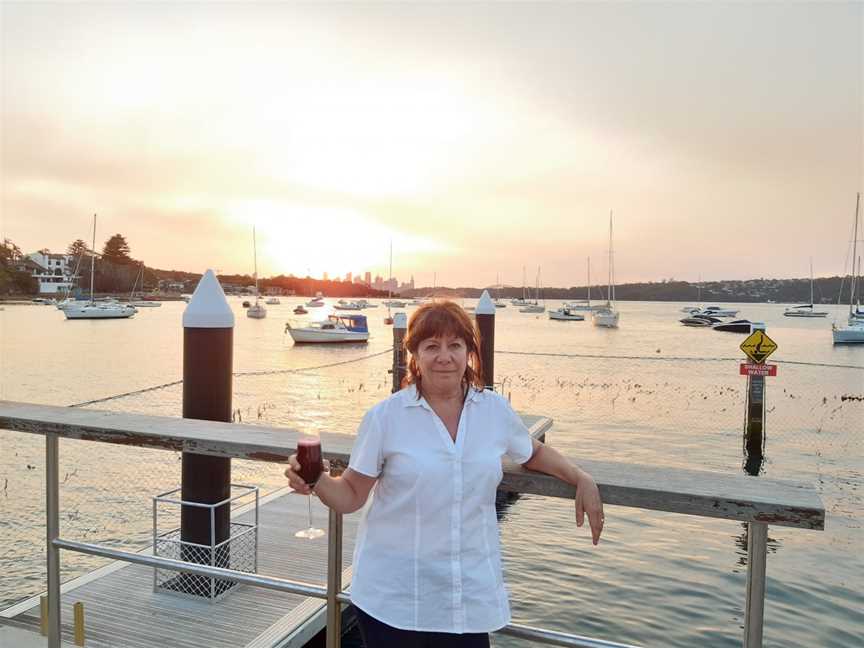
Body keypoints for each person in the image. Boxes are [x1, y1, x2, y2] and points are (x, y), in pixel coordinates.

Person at [285, 300, 604, 647]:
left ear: (468, 351)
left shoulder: (493, 411)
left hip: (464, 597)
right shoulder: (386, 418)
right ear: (414, 355)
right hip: (394, 598)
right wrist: (315, 480)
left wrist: (580, 477)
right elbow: (350, 496)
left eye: (455, 345)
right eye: (432, 346)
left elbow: (533, 452)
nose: (444, 356)